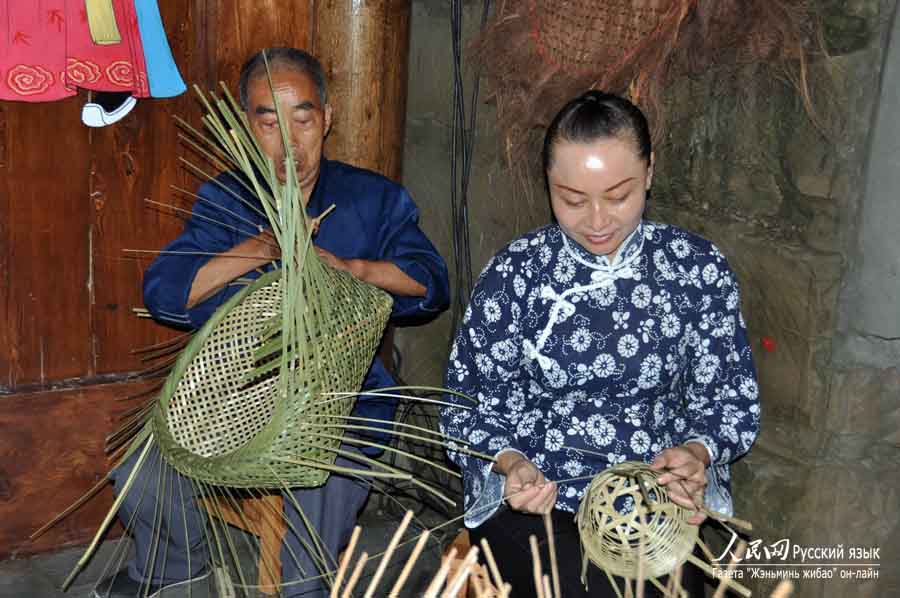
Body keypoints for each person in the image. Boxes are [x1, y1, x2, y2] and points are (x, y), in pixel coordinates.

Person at [94, 47, 449, 598]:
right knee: (142, 472)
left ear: (326, 120)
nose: (289, 143)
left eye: (303, 120)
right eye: (268, 122)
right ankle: (173, 569)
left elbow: (430, 284)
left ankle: (304, 588)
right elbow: (166, 294)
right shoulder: (226, 199)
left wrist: (351, 269)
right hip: (232, 398)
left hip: (341, 401)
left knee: (321, 478)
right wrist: (261, 247)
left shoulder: (372, 199)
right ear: (244, 126)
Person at [440, 90, 760, 597]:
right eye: (571, 199)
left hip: (654, 504)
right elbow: (466, 406)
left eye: (617, 196)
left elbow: (729, 400)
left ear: (650, 173)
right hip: (538, 498)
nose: (596, 221)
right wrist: (510, 464)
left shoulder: (695, 269)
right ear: (547, 184)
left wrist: (696, 454)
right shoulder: (517, 273)